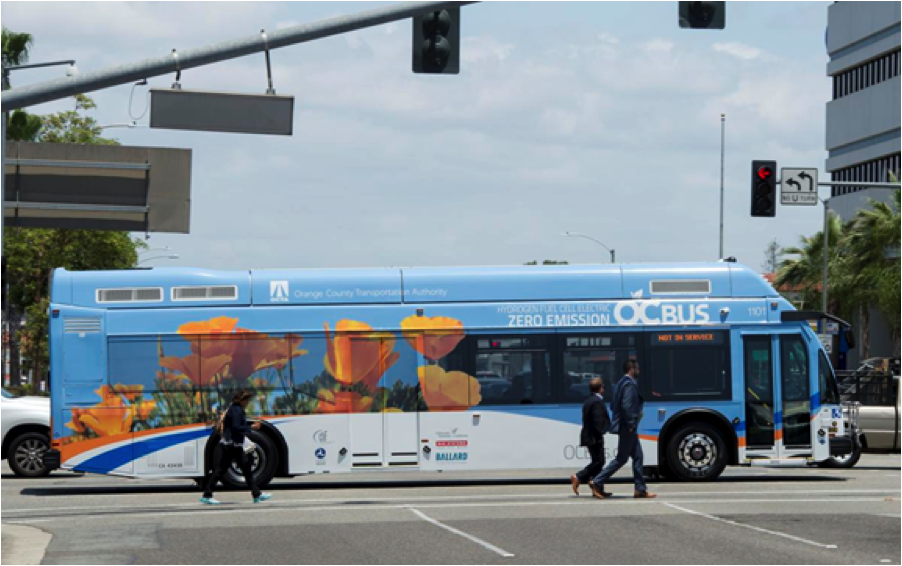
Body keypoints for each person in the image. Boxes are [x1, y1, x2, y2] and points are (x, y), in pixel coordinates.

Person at [590, 360, 657, 500]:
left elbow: (614, 405)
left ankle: (640, 489)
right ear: (631, 369)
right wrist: (631, 423)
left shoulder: (620, 383)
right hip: (628, 427)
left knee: (638, 456)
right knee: (621, 459)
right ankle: (597, 481)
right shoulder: (629, 384)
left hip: (626, 426)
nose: (639, 370)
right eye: (637, 368)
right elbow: (626, 405)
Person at [201, 390, 273, 505]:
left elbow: (236, 426)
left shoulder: (235, 409)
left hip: (232, 444)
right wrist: (252, 428)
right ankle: (207, 494)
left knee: (243, 469)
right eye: (247, 400)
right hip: (232, 445)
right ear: (242, 400)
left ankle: (256, 494)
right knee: (224, 470)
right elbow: (236, 427)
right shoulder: (236, 410)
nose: (248, 403)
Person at [570, 378, 612, 497]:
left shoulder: (589, 400)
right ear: (600, 388)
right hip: (594, 437)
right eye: (603, 386)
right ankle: (578, 477)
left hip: (590, 436)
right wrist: (604, 431)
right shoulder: (596, 401)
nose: (604, 388)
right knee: (599, 462)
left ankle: (597, 488)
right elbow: (597, 421)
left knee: (597, 462)